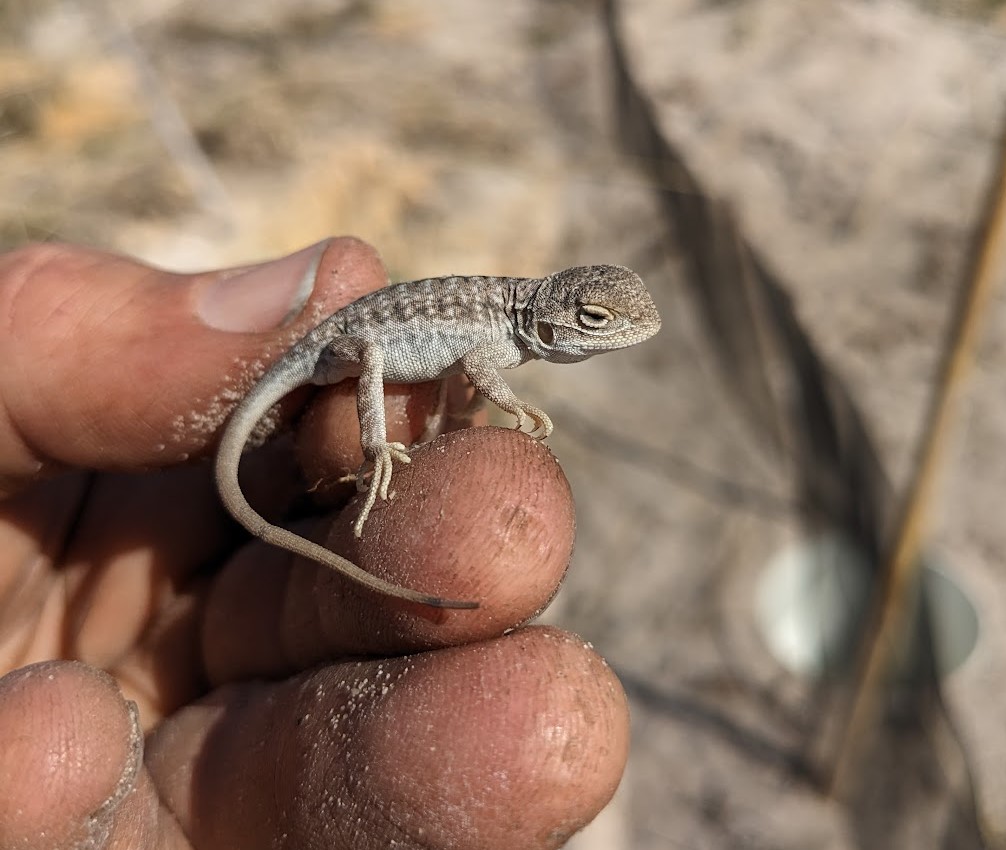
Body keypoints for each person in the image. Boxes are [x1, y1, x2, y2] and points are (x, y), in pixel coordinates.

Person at [0, 238, 628, 849]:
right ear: (555, 320)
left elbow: (470, 361)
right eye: (598, 321)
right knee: (377, 362)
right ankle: (377, 442)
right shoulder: (499, 329)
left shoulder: (506, 321)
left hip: (362, 343)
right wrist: (502, 409)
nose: (612, 331)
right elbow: (477, 363)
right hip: (341, 346)